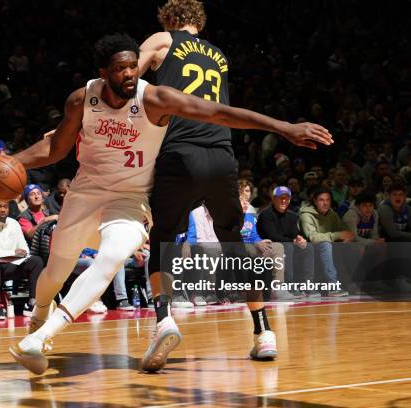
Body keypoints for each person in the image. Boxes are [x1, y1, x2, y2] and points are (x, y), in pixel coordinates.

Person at [7, 33, 332, 375]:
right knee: (55, 271)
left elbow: (218, 111)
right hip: (86, 191)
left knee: (114, 256)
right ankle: (41, 312)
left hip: (130, 199)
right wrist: (8, 161)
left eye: (134, 66)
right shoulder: (81, 100)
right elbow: (55, 148)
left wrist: (283, 128)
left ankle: (44, 336)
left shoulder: (155, 98)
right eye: (121, 69)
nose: (130, 74)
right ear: (104, 72)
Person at [135, 0, 331, 371]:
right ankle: (263, 332)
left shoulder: (162, 40)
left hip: (180, 153)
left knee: (162, 241)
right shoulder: (219, 55)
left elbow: (128, 77)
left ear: (171, 19)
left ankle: (164, 321)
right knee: (235, 243)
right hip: (222, 155)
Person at [257, 186, 316, 297]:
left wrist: (300, 240)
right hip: (268, 247)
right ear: (274, 199)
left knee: (308, 247)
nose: (284, 201)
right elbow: (272, 236)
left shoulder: (292, 216)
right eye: (281, 198)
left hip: (288, 244)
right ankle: (288, 285)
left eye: (287, 198)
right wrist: (293, 241)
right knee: (286, 247)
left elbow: (294, 234)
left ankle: (308, 286)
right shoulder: (265, 214)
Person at [298, 187, 352, 297]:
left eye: (328, 200)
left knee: (350, 245)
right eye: (321, 200)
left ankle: (354, 282)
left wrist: (347, 236)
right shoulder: (306, 215)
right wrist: (337, 235)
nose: (325, 203)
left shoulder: (331, 213)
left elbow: (342, 228)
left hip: (327, 244)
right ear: (315, 201)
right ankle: (332, 287)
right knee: (325, 245)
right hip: (307, 246)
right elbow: (313, 237)